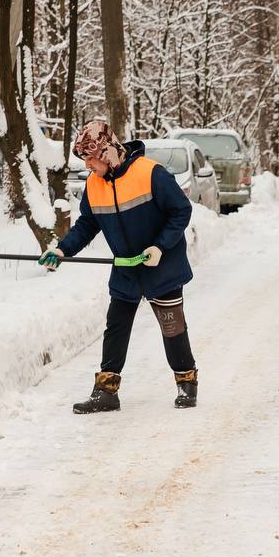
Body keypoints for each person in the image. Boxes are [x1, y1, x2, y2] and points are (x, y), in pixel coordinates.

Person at [39, 120, 198, 413]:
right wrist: (62, 249)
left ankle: (186, 382)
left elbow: (181, 211)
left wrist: (160, 246)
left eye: (91, 158)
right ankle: (106, 391)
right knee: (116, 327)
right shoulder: (94, 184)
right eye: (84, 160)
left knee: (172, 326)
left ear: (107, 152)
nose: (88, 166)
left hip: (161, 264)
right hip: (126, 267)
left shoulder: (151, 174)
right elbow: (87, 224)